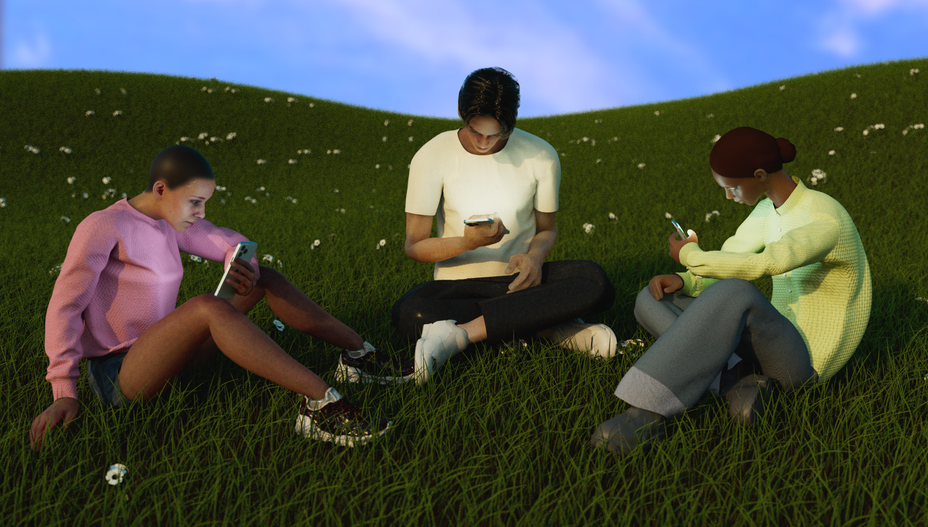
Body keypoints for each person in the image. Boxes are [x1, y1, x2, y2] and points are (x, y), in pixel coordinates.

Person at [30, 145, 404, 451]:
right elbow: (65, 306)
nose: (201, 212)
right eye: (194, 202)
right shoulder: (103, 226)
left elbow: (231, 242)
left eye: (204, 202)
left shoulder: (168, 222)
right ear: (161, 190)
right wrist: (65, 390)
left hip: (167, 352)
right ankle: (322, 404)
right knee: (205, 307)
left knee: (263, 280)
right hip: (117, 372)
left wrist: (243, 264)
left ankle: (359, 355)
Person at [590, 126, 872, 455]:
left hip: (803, 361)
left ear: (760, 174)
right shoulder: (767, 210)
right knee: (651, 300)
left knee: (737, 293)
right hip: (769, 344)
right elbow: (735, 255)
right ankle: (742, 387)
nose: (729, 196)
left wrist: (691, 255)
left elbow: (770, 262)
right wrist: (687, 280)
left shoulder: (824, 219)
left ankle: (646, 413)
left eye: (733, 187)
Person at [392, 67, 616, 383]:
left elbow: (546, 230)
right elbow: (414, 245)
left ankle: (463, 335)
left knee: (594, 279)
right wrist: (468, 243)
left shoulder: (541, 156)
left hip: (519, 281)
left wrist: (535, 259)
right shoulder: (432, 155)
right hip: (459, 288)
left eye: (497, 134)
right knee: (409, 314)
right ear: (461, 114)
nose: (485, 143)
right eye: (475, 131)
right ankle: (547, 325)